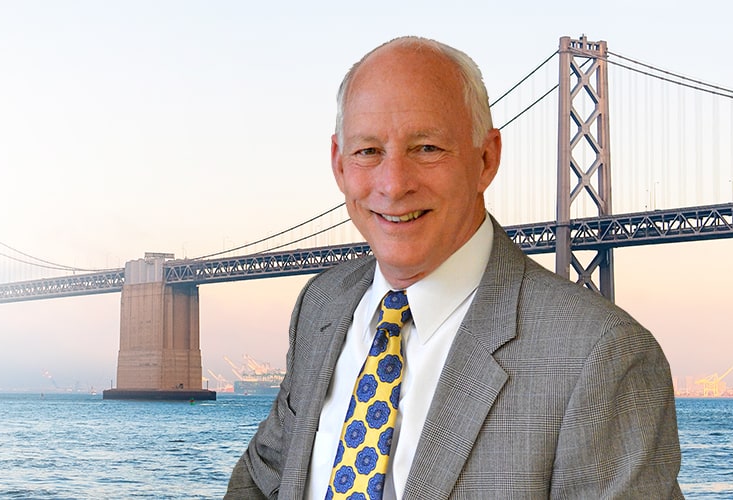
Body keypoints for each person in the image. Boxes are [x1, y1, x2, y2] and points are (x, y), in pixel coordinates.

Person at [225, 36, 682, 499]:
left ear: (487, 160)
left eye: (426, 148)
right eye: (368, 152)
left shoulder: (602, 356)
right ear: (339, 165)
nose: (394, 184)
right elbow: (261, 486)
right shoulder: (321, 304)